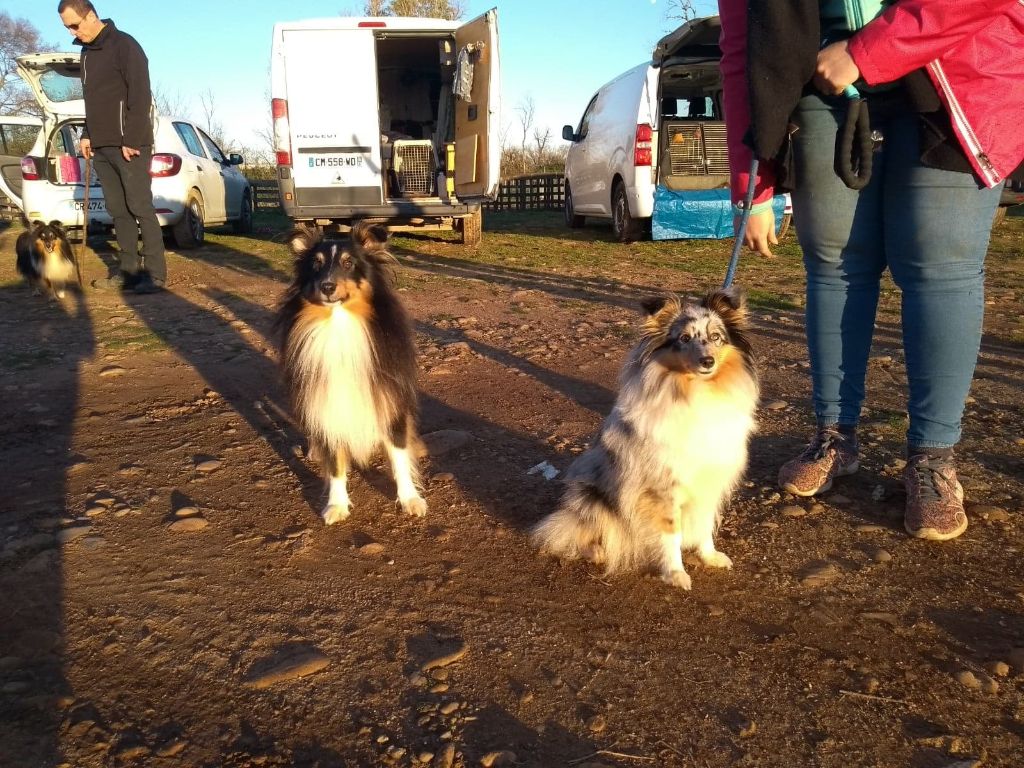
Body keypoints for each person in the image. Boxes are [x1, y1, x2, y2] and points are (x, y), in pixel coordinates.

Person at [718, 0, 1024, 540]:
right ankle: (835, 435)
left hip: (956, 68)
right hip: (820, 84)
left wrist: (866, 52)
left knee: (941, 266)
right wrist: (753, 182)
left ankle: (933, 456)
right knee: (833, 265)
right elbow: (744, 42)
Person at [57, 0, 166, 294]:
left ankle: (155, 273)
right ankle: (128, 271)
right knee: (118, 211)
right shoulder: (86, 54)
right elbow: (93, 100)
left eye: (75, 25)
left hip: (130, 145)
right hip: (101, 146)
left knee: (139, 206)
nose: (72, 32)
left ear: (91, 16)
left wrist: (131, 138)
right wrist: (87, 133)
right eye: (67, 27)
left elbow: (141, 96)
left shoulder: (126, 45)